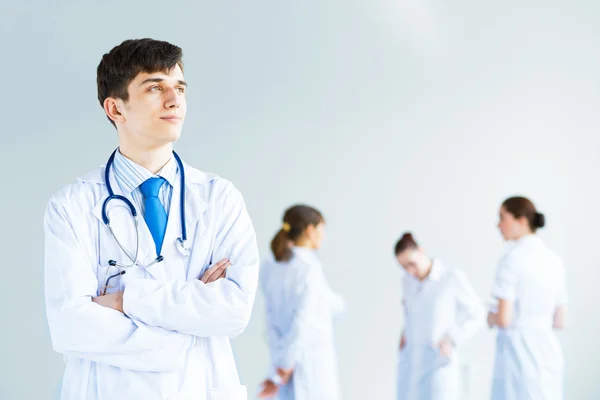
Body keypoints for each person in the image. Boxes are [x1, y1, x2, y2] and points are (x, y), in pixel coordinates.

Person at [44, 38, 259, 400]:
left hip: (200, 387)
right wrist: (186, 332)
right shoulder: (73, 205)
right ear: (115, 108)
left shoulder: (219, 198)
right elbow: (71, 325)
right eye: (154, 88)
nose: (174, 100)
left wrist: (124, 300)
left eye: (179, 88)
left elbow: (234, 310)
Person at [257, 205, 345, 400]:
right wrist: (285, 366)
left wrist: (279, 364)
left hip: (283, 362)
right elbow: (301, 322)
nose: (324, 236)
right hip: (309, 364)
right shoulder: (308, 268)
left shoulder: (270, 266)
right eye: (322, 230)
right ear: (310, 230)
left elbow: (270, 319)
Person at [488, 196, 567, 400]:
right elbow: (560, 321)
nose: (498, 225)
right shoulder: (554, 260)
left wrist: (489, 316)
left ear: (521, 220)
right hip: (548, 352)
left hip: (518, 355)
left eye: (503, 218)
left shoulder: (512, 259)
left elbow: (504, 319)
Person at [394, 233, 484, 400]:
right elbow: (413, 316)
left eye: (411, 264)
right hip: (412, 362)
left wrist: (452, 338)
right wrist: (405, 332)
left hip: (438, 364)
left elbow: (477, 314)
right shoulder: (407, 283)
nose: (410, 271)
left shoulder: (450, 279)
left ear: (421, 251)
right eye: (404, 267)